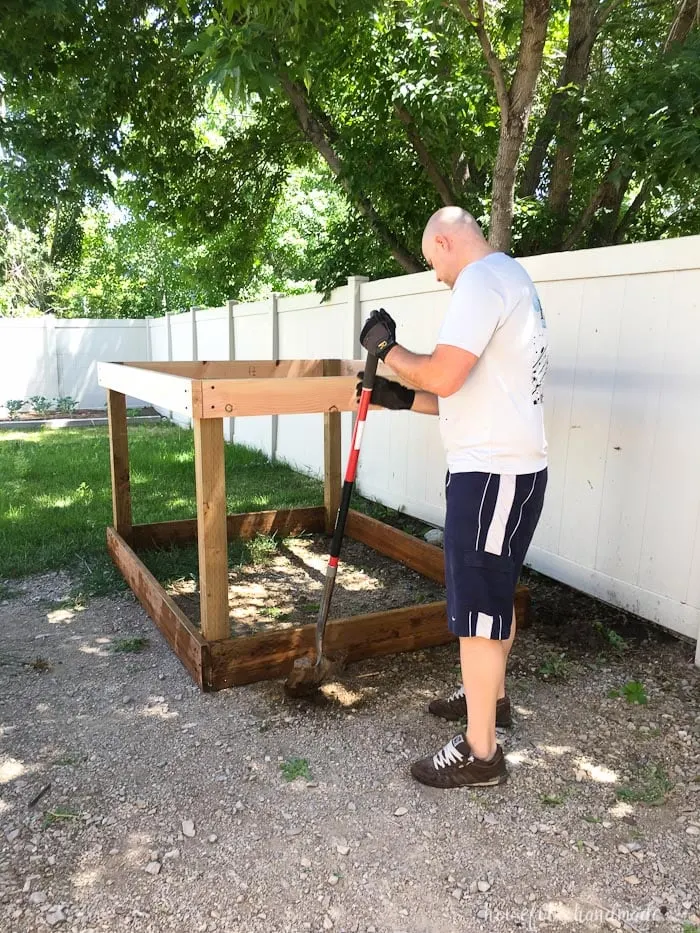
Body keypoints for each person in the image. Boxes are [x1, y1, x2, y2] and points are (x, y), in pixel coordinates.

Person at [358, 206, 549, 789]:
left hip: (492, 478)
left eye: (432, 262)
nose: (436, 275)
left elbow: (441, 374)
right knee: (493, 595)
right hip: (508, 473)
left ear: (444, 241)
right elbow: (463, 394)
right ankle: (489, 697)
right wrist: (399, 397)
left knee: (477, 614)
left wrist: (386, 348)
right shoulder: (511, 279)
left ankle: (480, 752)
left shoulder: (481, 281)